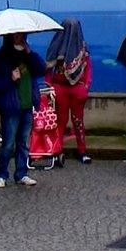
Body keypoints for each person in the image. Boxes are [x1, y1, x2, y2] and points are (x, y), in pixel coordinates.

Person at [0, 33, 45, 188]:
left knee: (23, 143)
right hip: (11, 107)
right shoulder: (0, 58)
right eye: (16, 37)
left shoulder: (27, 56)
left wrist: (29, 53)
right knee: (8, 143)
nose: (20, 39)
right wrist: (9, 79)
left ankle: (21, 173)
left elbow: (41, 68)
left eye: (22, 36)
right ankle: (1, 174)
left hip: (27, 105)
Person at [45, 19, 93, 164]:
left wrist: (86, 86)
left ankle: (82, 151)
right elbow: (47, 69)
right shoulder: (56, 46)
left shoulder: (82, 48)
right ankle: (57, 151)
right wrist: (50, 86)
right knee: (60, 121)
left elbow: (87, 67)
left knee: (78, 121)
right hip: (60, 88)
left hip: (77, 88)